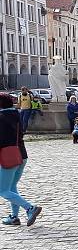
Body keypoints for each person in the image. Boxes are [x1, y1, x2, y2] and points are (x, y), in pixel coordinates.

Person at [0, 93, 42, 226]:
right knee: (11, 187)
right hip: (22, 154)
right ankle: (14, 217)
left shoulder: (1, 117)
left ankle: (30, 208)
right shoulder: (17, 114)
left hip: (9, 155)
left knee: (2, 190)